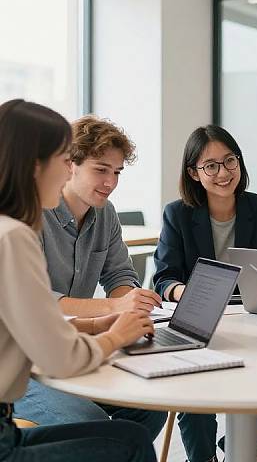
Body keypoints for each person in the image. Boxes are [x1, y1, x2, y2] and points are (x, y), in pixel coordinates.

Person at [0, 98, 156, 462]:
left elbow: (31, 326)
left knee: (134, 424)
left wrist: (99, 322)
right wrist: (115, 333)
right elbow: (59, 356)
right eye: (63, 160)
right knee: (126, 441)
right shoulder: (15, 234)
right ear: (35, 165)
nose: (66, 168)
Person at [153, 125, 257, 462]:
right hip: (197, 323)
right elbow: (164, 279)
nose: (224, 173)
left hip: (252, 323)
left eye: (230, 161)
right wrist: (187, 292)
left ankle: (234, 454)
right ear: (194, 173)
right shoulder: (177, 214)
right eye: (211, 165)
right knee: (193, 390)